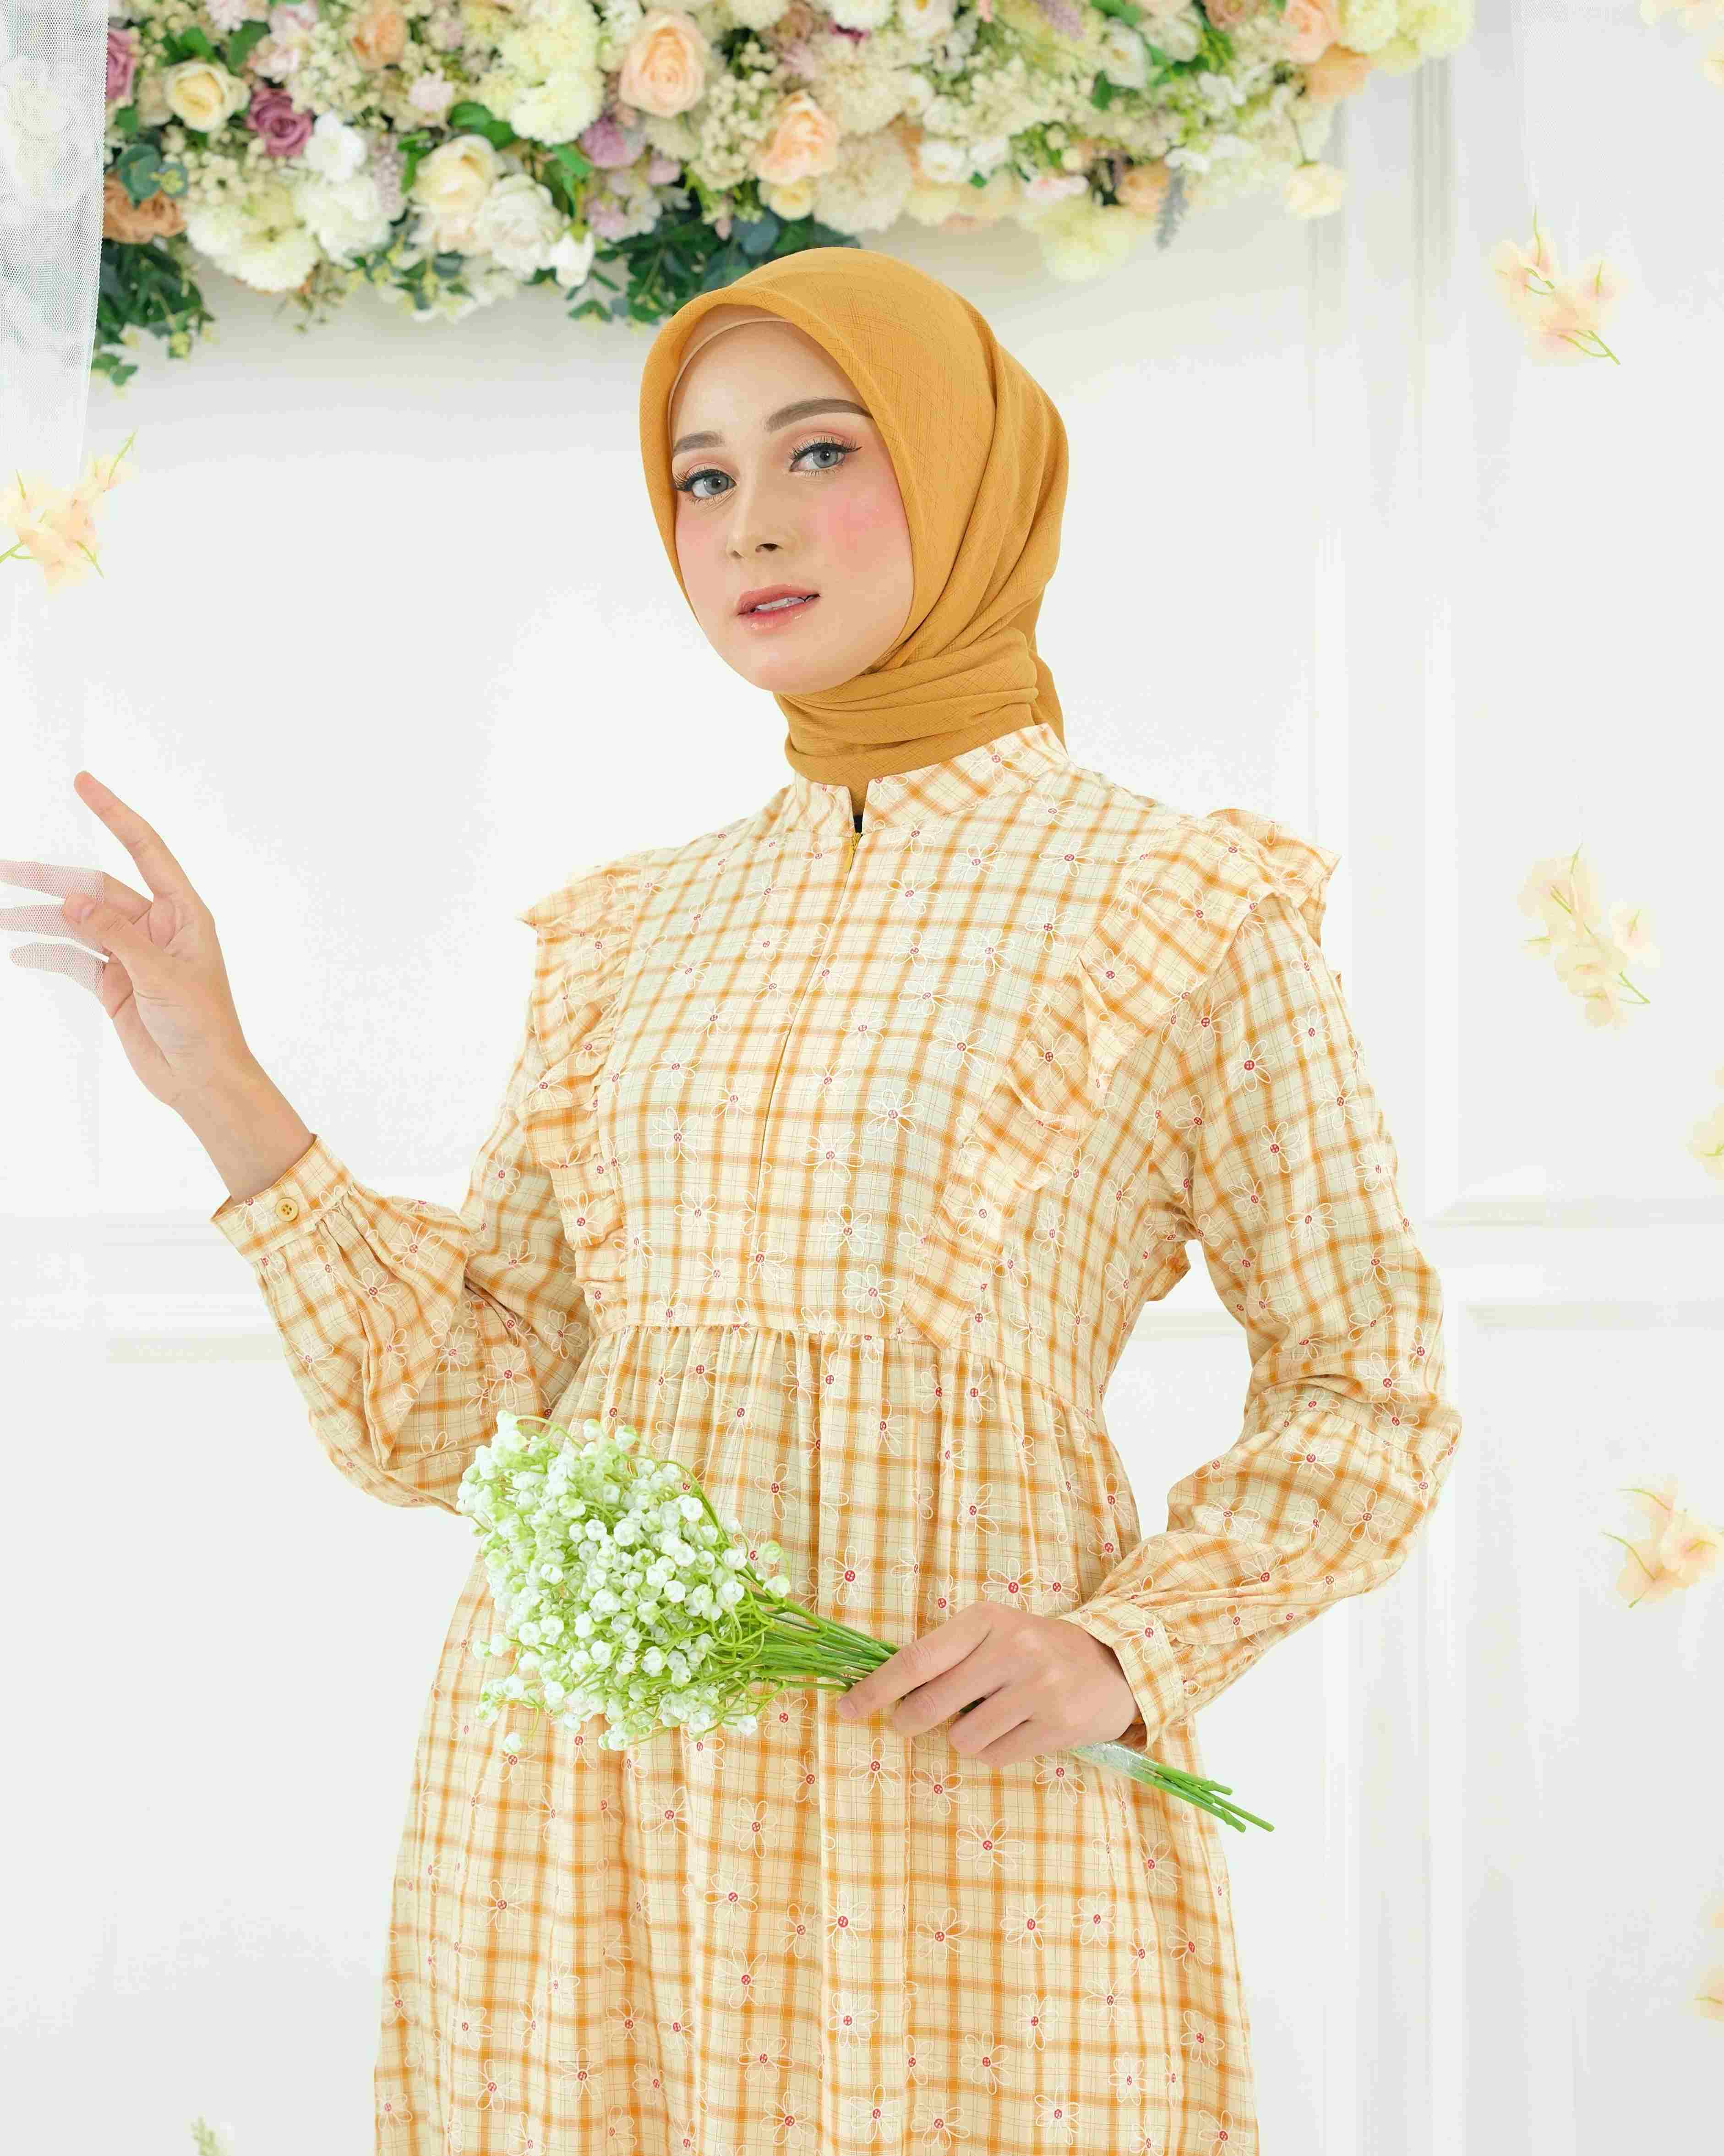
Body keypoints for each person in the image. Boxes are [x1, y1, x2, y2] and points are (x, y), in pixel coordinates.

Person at [9, 248, 1462, 2155]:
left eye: (820, 451)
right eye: (701, 478)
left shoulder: (1176, 909)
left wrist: (1126, 1648)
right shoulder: (633, 930)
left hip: (944, 1805)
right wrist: (217, 1072)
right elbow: (463, 1409)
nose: (749, 525)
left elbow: (1368, 1383)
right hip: (576, 1804)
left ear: (963, 474)